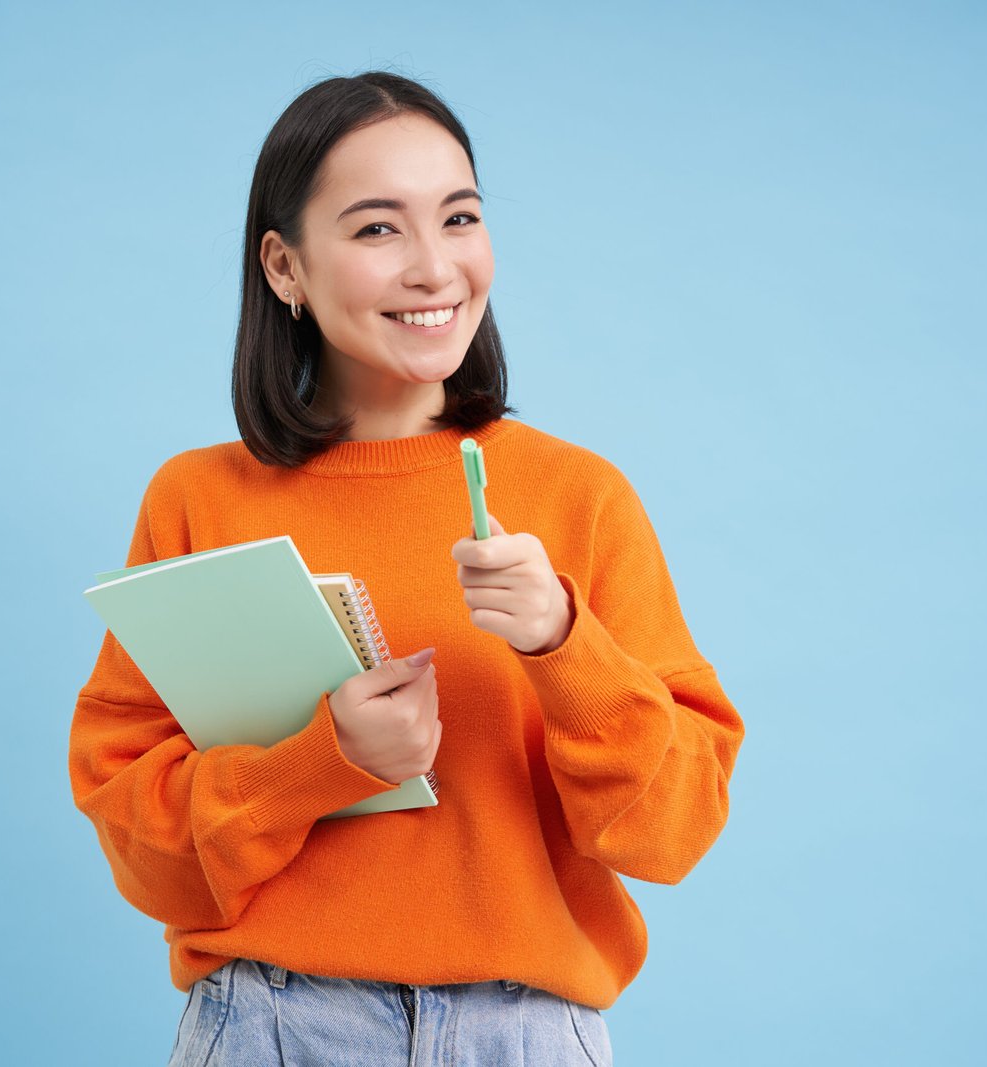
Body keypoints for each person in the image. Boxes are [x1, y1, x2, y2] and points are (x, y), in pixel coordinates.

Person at [68, 70, 745, 1066]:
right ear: (285, 267)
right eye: (378, 229)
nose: (435, 268)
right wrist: (324, 759)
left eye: (459, 217)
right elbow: (146, 854)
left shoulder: (577, 496)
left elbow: (672, 832)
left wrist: (562, 641)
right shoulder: (199, 500)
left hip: (526, 1034)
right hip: (276, 1026)